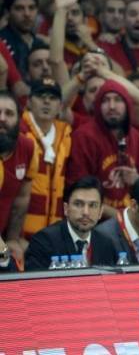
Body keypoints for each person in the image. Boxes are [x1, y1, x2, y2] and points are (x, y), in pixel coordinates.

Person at [66, 78, 139, 216]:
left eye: (118, 100)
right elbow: (79, 192)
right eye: (105, 100)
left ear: (127, 105)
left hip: (128, 218)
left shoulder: (135, 137)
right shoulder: (84, 137)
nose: (112, 106)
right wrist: (122, 218)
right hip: (93, 221)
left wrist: (138, 180)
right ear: (98, 105)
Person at [24, 176, 118, 270]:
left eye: (93, 205)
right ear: (66, 209)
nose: (86, 212)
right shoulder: (44, 242)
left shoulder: (106, 244)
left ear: (100, 212)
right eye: (78, 204)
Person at [20, 78, 72, 239]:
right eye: (40, 96)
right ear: (29, 102)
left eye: (53, 98)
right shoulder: (19, 132)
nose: (47, 101)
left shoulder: (66, 136)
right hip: (19, 235)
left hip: (53, 236)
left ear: (60, 106)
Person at [0, 90, 37, 263]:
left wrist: (12, 239)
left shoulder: (28, 147)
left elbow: (21, 200)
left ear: (19, 120)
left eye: (9, 113)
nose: (2, 118)